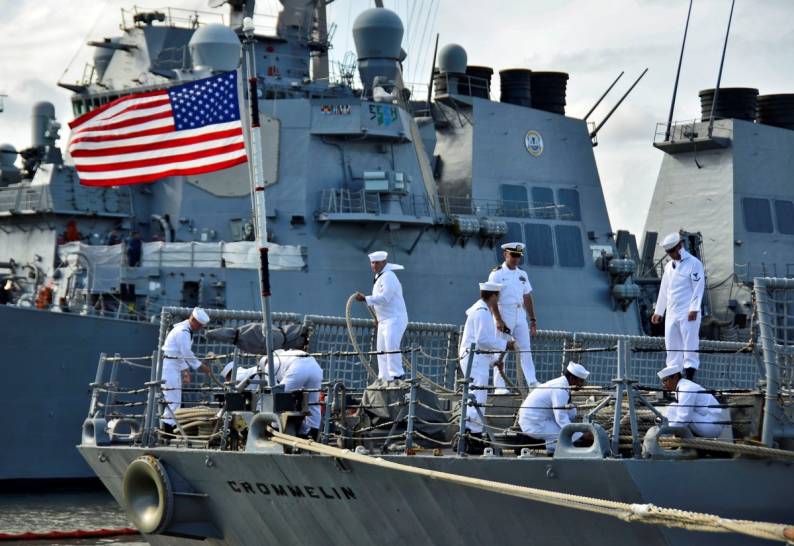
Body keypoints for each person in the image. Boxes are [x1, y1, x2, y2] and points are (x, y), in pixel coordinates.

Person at [458, 281, 512, 448]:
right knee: (478, 395)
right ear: (494, 296)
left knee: (474, 394)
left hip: (475, 358)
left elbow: (480, 341)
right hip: (475, 359)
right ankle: (473, 435)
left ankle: (470, 431)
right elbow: (482, 340)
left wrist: (495, 360)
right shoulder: (482, 312)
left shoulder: (479, 309)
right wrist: (505, 345)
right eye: (498, 295)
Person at [651, 232, 705, 380]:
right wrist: (659, 311)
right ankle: (673, 380)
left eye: (672, 251)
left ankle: (689, 379)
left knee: (689, 345)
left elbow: (698, 286)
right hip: (672, 311)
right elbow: (664, 290)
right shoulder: (669, 266)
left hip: (687, 311)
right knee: (672, 346)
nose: (671, 255)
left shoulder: (694, 263)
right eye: (668, 252)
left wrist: (694, 308)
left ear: (680, 247)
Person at [488, 242, 538, 392]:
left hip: (519, 313)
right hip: (504, 312)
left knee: (525, 348)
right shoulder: (497, 273)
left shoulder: (522, 274)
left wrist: (533, 319)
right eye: (513, 256)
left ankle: (532, 382)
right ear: (505, 255)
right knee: (501, 349)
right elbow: (492, 298)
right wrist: (497, 319)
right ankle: (499, 386)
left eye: (518, 256)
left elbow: (527, 296)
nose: (516, 259)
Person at [354, 251, 408, 381]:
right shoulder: (380, 276)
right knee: (381, 350)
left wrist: (365, 299)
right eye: (372, 263)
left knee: (391, 347)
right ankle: (384, 377)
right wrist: (378, 318)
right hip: (384, 320)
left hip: (394, 318)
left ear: (384, 262)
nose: (374, 265)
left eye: (376, 263)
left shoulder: (389, 276)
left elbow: (385, 298)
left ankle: (396, 375)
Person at [160, 307, 213, 435]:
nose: (200, 328)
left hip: (173, 367)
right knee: (172, 400)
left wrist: (185, 371)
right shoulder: (182, 331)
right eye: (199, 325)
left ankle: (169, 430)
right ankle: (167, 431)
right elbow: (186, 353)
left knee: (174, 400)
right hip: (170, 369)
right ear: (193, 319)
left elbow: (179, 353)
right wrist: (201, 366)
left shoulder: (185, 330)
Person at [518, 362, 590, 453]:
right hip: (534, 423)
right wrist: (581, 435)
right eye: (580, 381)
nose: (581, 385)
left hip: (539, 419)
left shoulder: (562, 384)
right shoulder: (560, 389)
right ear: (572, 378)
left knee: (572, 410)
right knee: (563, 435)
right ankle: (553, 453)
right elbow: (561, 417)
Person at [259, 346, 323, 439]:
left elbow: (271, 390)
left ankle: (276, 429)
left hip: (297, 368)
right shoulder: (285, 355)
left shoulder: (269, 365)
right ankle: (311, 433)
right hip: (314, 365)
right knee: (312, 402)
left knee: (278, 399)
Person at [658, 364, 726, 438]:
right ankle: (670, 436)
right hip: (707, 422)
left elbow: (684, 418)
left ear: (675, 377)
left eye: (665, 380)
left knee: (674, 408)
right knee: (674, 407)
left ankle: (666, 437)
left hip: (712, 426)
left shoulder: (686, 388)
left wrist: (663, 432)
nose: (663, 385)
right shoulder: (683, 386)